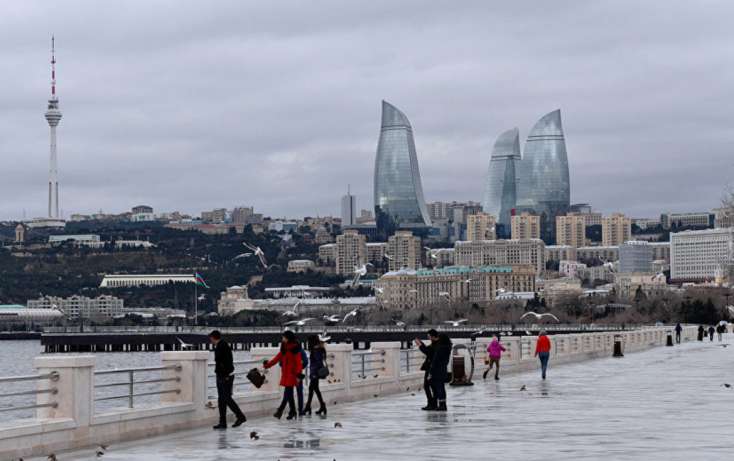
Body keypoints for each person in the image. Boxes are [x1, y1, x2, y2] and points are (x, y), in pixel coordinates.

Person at [209, 330, 246, 430]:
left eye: (211, 338)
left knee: (226, 398)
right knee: (221, 399)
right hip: (222, 375)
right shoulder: (222, 345)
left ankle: (240, 416)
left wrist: (225, 375)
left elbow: (225, 362)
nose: (210, 340)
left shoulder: (222, 346)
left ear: (213, 338)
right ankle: (222, 422)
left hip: (225, 376)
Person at [263, 330, 304, 420]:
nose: (282, 339)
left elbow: (298, 363)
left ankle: (281, 410)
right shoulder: (284, 348)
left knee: (288, 393)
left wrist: (298, 375)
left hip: (292, 374)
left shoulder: (294, 348)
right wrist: (267, 365)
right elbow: (277, 358)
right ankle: (291, 411)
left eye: (284, 337)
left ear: (288, 338)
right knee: (289, 394)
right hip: (286, 374)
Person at [428, 331, 452, 412]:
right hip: (443, 369)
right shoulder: (448, 347)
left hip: (437, 371)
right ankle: (443, 404)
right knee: (441, 387)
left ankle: (441, 405)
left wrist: (431, 371)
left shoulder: (440, 348)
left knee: (439, 388)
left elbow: (435, 360)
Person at [304, 335, 327, 416]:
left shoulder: (316, 350)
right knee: (315, 389)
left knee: (312, 389)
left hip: (315, 373)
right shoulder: (319, 349)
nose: (307, 344)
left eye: (308, 342)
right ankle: (321, 406)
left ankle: (309, 407)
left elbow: (317, 363)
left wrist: (313, 374)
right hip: (315, 373)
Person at [415, 330, 437, 410]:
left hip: (431, 368)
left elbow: (428, 352)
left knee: (427, 386)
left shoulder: (436, 344)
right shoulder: (435, 344)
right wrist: (421, 344)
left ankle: (431, 404)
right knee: (431, 386)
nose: (428, 338)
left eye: (429, 336)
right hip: (432, 367)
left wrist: (420, 345)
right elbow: (428, 350)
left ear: (433, 336)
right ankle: (433, 403)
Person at [296, 347, 309, 416]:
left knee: (288, 392)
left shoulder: (286, 349)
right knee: (299, 392)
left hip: (289, 374)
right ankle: (300, 410)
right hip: (298, 374)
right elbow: (306, 362)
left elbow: (281, 363)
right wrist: (300, 367)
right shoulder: (300, 350)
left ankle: (292, 411)